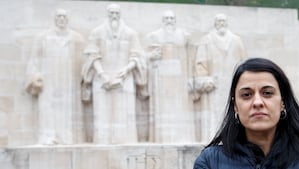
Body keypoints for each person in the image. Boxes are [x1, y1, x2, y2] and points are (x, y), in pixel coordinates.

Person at [81, 3, 147, 144]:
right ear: (107, 14)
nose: (114, 15)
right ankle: (102, 141)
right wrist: (102, 74)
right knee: (102, 113)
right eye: (111, 12)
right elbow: (92, 55)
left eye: (117, 12)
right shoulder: (97, 32)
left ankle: (126, 140)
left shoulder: (131, 33)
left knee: (125, 114)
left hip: (125, 78)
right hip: (101, 78)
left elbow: (136, 56)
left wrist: (125, 71)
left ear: (120, 14)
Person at [25, 9, 85, 145]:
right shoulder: (42, 37)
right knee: (47, 108)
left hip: (68, 81)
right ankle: (48, 137)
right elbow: (34, 60)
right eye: (59, 16)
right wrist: (34, 77)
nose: (61, 19)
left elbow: (82, 61)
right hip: (48, 80)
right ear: (54, 19)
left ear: (67, 19)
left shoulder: (76, 38)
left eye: (64, 16)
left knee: (66, 109)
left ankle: (66, 137)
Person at [193, 13, 247, 142]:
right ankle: (213, 139)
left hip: (233, 84)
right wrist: (205, 79)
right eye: (219, 21)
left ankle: (235, 139)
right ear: (215, 23)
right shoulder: (206, 40)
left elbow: (244, 62)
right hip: (214, 84)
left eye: (223, 21)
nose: (221, 23)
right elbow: (200, 63)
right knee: (213, 115)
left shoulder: (236, 40)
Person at [145, 10, 194, 143]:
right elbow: (147, 57)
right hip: (160, 78)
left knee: (181, 109)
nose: (169, 21)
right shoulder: (154, 36)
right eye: (166, 18)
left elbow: (190, 59)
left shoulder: (184, 36)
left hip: (180, 78)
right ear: (163, 20)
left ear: (175, 20)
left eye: (171, 18)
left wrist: (190, 78)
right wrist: (152, 57)